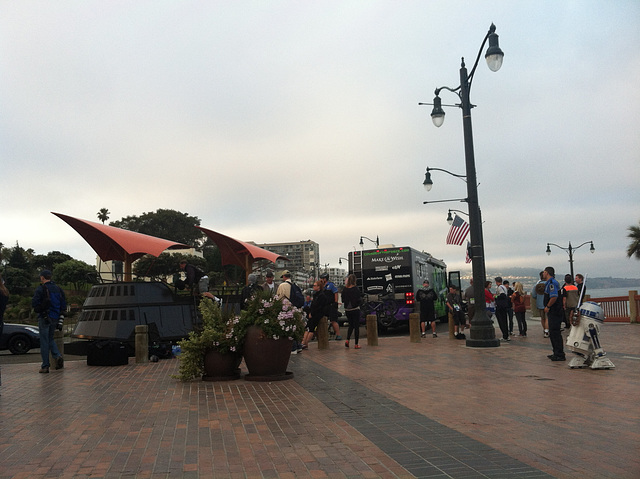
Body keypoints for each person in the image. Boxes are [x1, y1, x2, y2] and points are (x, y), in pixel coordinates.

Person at [31, 270, 66, 373]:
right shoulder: (58, 289)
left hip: (44, 317)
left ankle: (45, 365)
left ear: (42, 278)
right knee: (50, 338)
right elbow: (63, 304)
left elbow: (35, 303)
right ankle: (57, 355)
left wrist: (39, 310)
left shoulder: (41, 289)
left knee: (44, 341)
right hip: (55, 317)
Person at [277, 270, 303, 354]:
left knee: (288, 328)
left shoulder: (282, 285)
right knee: (295, 327)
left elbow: (279, 297)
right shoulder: (295, 285)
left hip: (286, 310)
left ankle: (293, 348)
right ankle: (299, 346)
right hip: (295, 309)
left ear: (284, 276)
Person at [543, 266, 565, 361]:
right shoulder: (549, 283)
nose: (542, 274)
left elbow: (554, 296)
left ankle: (559, 354)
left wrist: (548, 306)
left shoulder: (552, 283)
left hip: (555, 311)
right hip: (554, 311)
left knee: (555, 332)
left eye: (544, 272)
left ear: (547, 273)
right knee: (552, 332)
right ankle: (556, 352)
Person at [302, 281, 328, 348]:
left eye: (315, 285)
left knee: (311, 329)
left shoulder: (321, 295)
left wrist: (312, 313)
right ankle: (304, 342)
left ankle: (305, 343)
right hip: (313, 313)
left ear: (318, 286)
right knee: (308, 328)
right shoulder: (316, 294)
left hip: (317, 314)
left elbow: (318, 306)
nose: (313, 287)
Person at [341, 274, 362, 348]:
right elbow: (359, 299)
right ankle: (356, 344)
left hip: (347, 309)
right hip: (355, 309)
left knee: (351, 325)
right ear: (354, 280)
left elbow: (342, 299)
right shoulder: (356, 289)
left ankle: (347, 340)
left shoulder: (345, 289)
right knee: (356, 326)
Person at [320, 273, 341, 340]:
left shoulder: (331, 285)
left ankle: (338, 335)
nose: (321, 280)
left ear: (325, 279)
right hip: (325, 305)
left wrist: (335, 302)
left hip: (331, 305)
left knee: (333, 320)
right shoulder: (322, 286)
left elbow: (336, 293)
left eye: (322, 278)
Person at [532, 271, 549, 338]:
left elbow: (533, 295)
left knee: (542, 318)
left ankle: (544, 329)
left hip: (539, 303)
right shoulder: (548, 284)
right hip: (547, 304)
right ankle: (547, 331)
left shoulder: (537, 285)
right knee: (547, 318)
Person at [494, 277, 510, 341]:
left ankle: (504, 335)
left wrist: (496, 296)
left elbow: (502, 295)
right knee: (505, 320)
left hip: (500, 306)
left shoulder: (499, 288)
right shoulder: (504, 287)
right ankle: (506, 335)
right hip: (505, 305)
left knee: (501, 321)